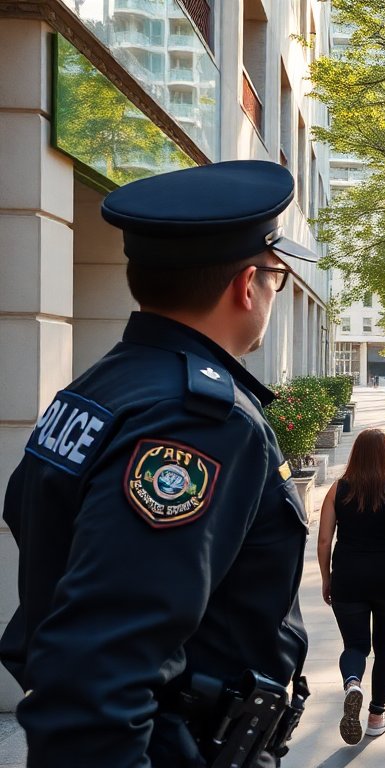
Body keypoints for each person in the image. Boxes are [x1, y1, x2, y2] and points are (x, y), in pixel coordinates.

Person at [0, 160, 314, 765]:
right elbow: (99, 667)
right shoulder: (196, 421)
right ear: (246, 285)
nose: (272, 292)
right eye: (276, 276)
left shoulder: (104, 387)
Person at [318, 429, 385, 744]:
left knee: (355, 645)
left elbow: (325, 539)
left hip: (348, 574)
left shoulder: (337, 490)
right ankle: (376, 716)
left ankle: (353, 682)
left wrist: (326, 577)